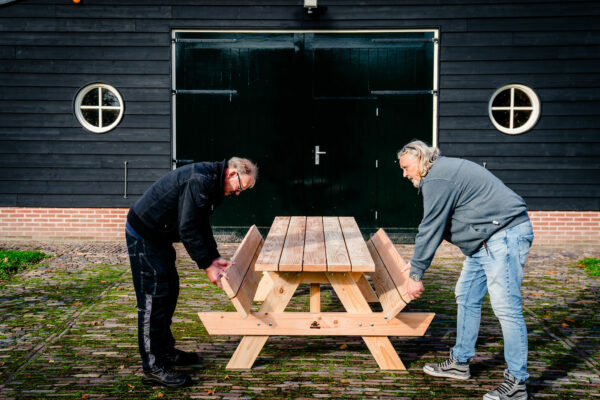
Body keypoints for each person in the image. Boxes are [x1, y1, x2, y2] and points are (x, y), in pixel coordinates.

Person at [398, 141, 533, 400]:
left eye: (406, 167)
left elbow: (431, 227)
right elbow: (440, 225)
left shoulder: (437, 177)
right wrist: (416, 263)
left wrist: (415, 275)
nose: (404, 174)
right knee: (467, 295)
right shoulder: (440, 173)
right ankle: (460, 363)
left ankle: (517, 382)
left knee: (506, 308)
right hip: (483, 242)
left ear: (421, 159)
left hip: (503, 236)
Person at [125, 157, 258, 388]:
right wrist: (207, 265)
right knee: (153, 299)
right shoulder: (201, 180)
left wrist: (214, 257)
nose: (238, 193)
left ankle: (165, 351)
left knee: (170, 292)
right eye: (240, 187)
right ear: (230, 174)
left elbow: (200, 222)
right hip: (144, 235)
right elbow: (188, 228)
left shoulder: (213, 184)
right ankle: (153, 368)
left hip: (160, 237)